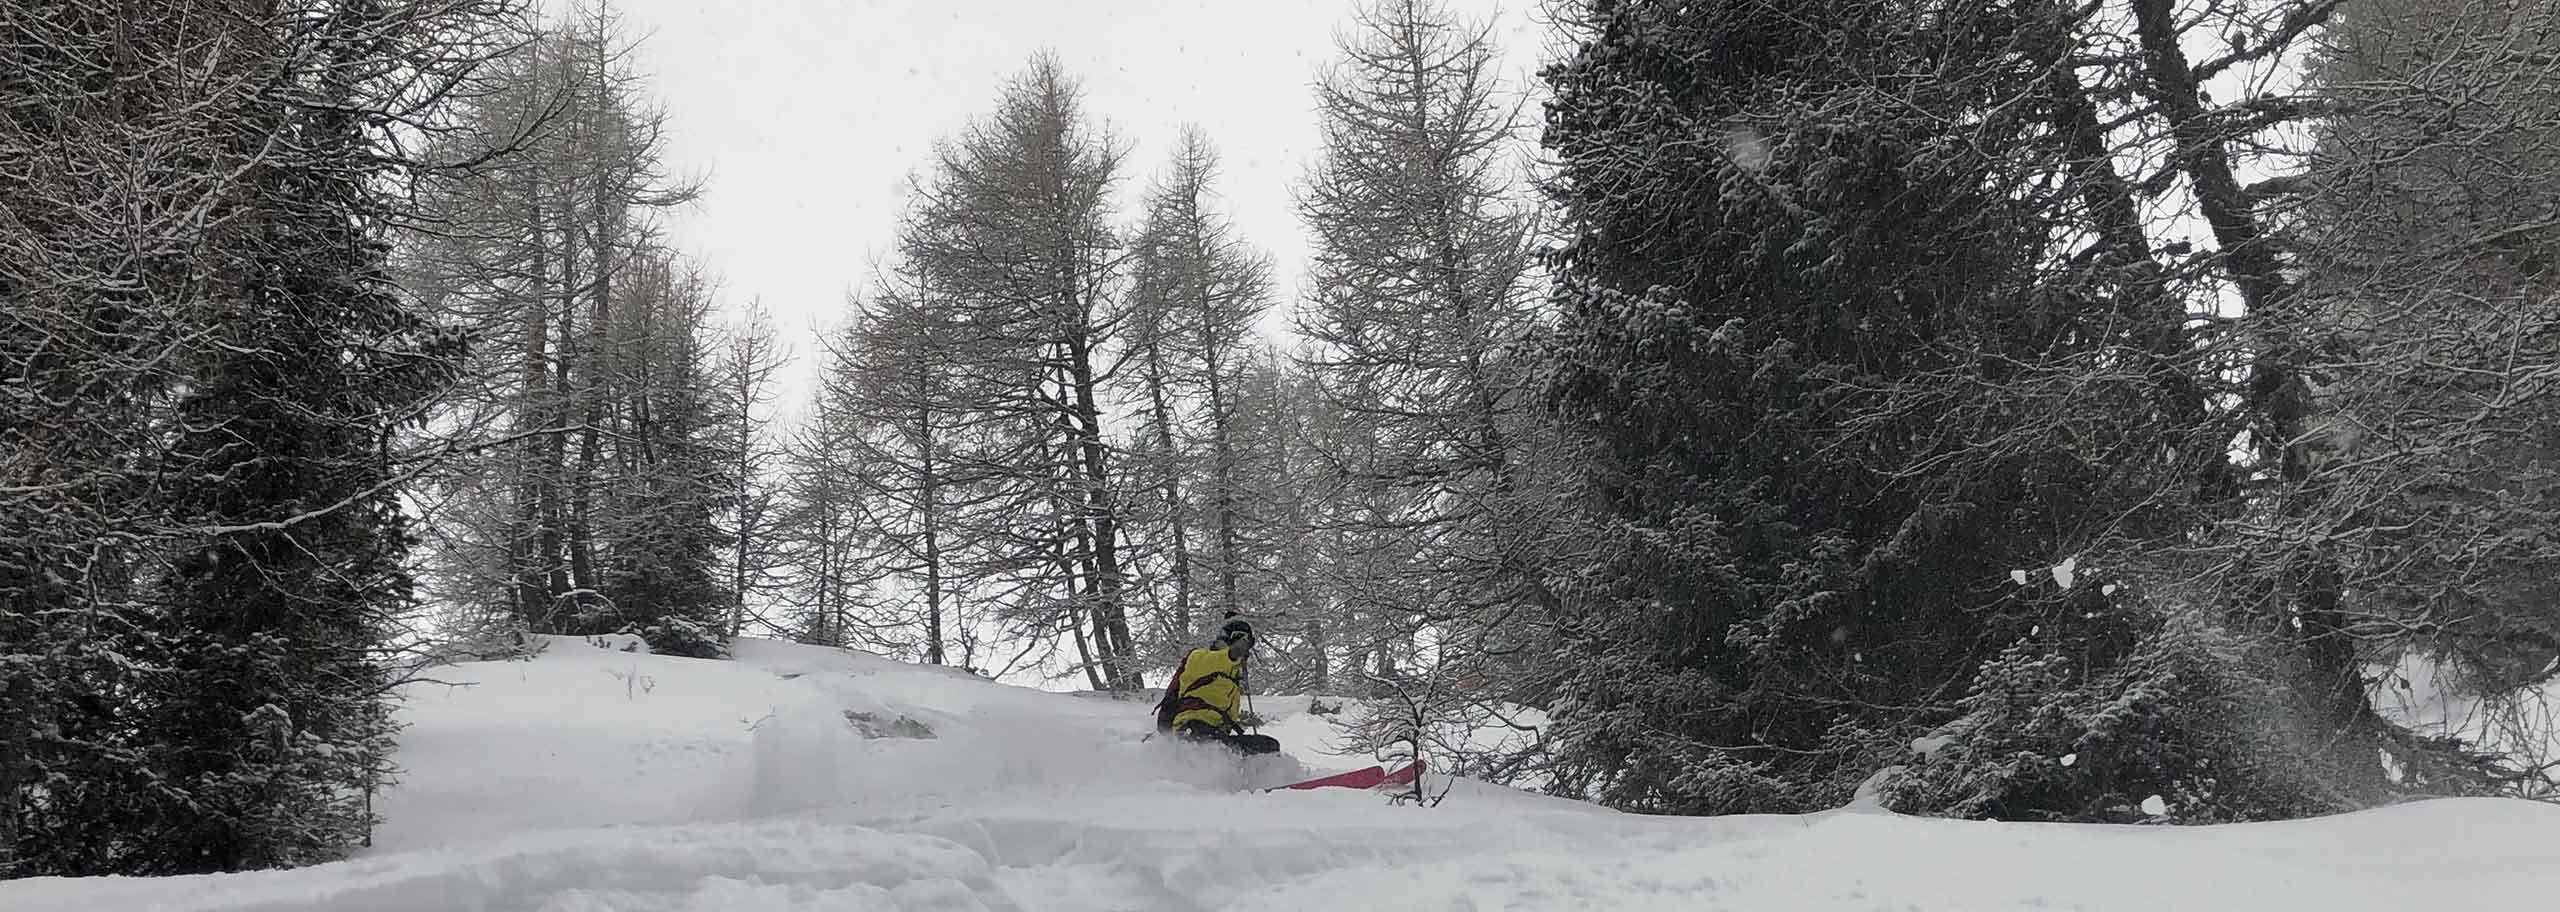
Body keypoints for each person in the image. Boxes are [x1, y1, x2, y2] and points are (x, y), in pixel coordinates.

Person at [1153, 617, 1280, 755]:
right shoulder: (1198, 657)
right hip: (1192, 727)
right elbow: (1220, 660)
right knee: (1252, 748)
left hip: (1215, 733)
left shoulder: (1231, 681)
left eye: (1247, 643)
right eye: (1241, 640)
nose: (1245, 647)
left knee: (1267, 746)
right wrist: (1232, 654)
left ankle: (1250, 775)